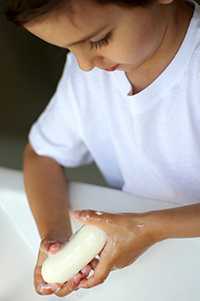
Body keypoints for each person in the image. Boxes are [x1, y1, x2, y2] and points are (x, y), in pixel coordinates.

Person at [5, 0, 200, 298]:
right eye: (69, 48)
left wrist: (148, 228)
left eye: (98, 40)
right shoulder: (91, 73)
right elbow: (42, 155)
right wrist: (55, 234)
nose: (84, 64)